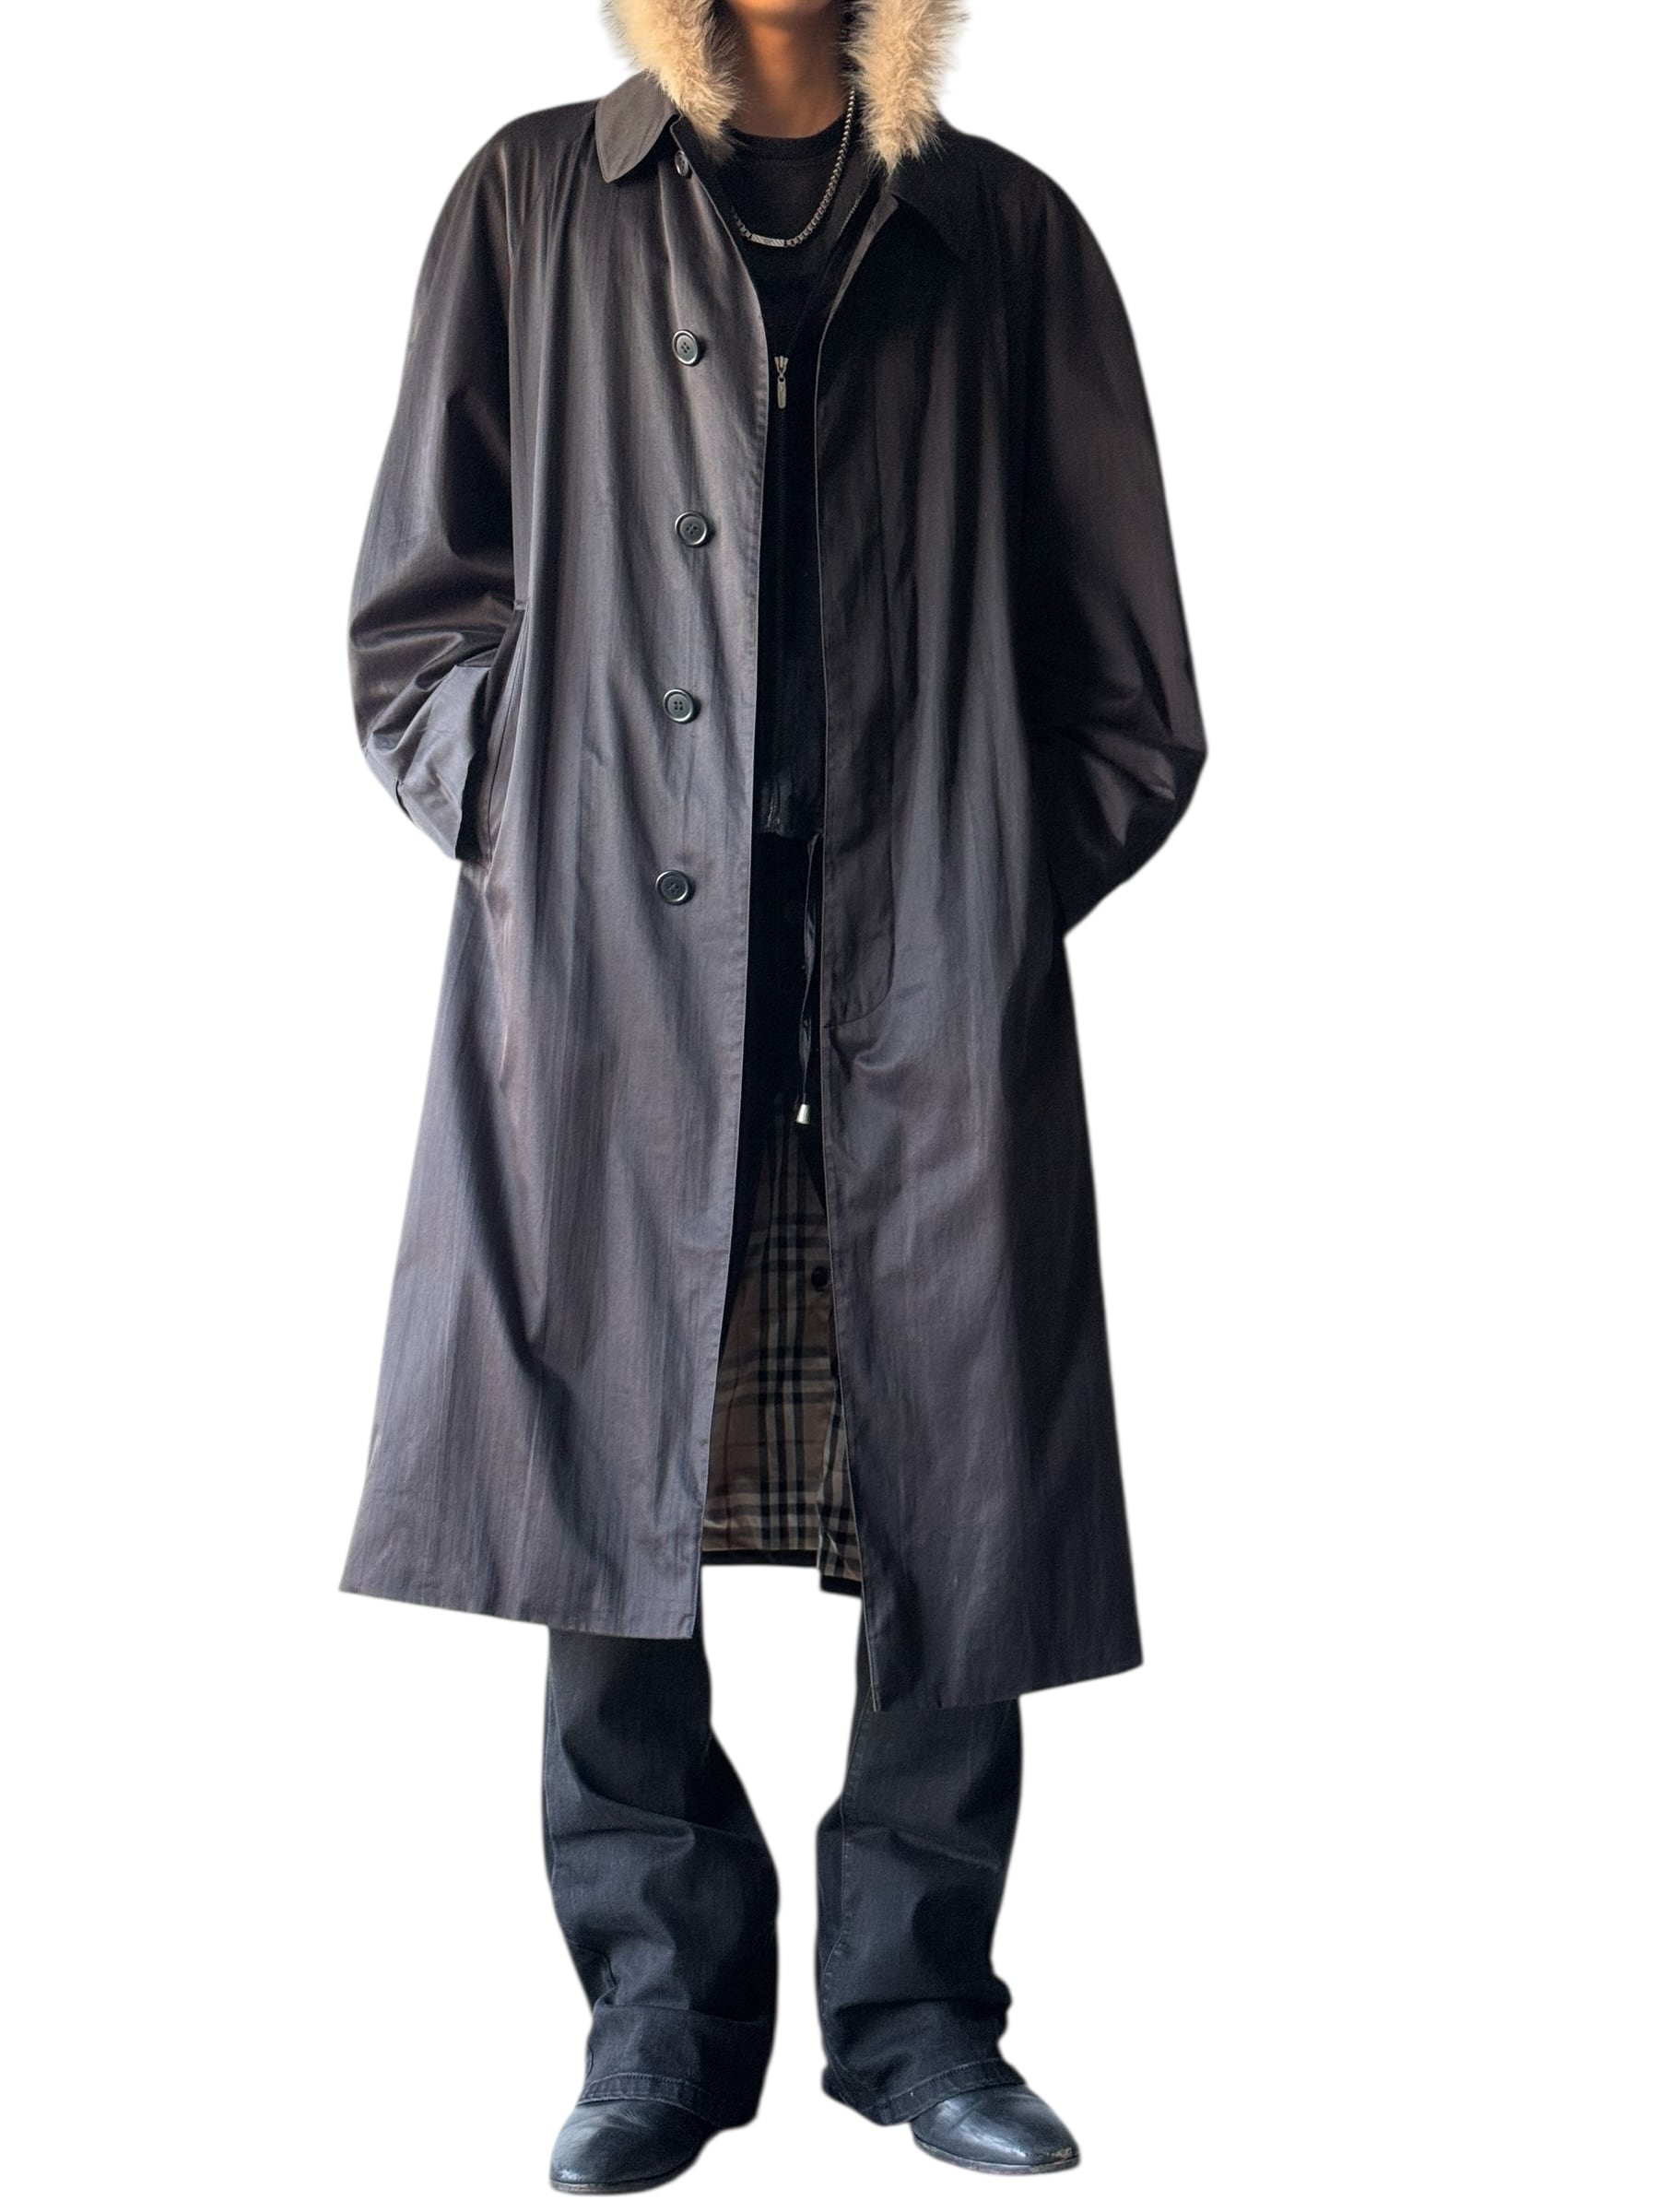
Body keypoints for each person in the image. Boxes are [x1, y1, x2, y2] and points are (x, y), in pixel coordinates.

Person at [340, 0, 1207, 2191]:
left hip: (919, 979)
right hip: (622, 976)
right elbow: (420, 621)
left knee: (959, 1496)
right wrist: (538, 833)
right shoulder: (536, 204)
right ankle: (657, 2021)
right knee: (599, 1479)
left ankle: (922, 2024)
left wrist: (972, 885)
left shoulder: (1006, 235)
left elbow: (1130, 686)